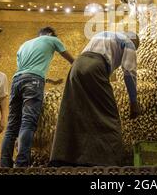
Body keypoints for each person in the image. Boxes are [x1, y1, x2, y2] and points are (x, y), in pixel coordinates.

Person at [49, 31, 141, 167]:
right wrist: (134, 102)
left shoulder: (105, 34)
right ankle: (109, 161)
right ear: (134, 42)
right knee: (109, 115)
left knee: (76, 112)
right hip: (95, 68)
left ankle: (66, 158)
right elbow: (129, 73)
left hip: (76, 67)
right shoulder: (129, 43)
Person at [0, 26, 74, 167]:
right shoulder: (52, 39)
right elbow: (71, 60)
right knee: (28, 122)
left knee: (12, 126)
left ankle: (5, 164)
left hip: (16, 81)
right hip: (34, 81)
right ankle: (22, 164)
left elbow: (26, 71)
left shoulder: (24, 45)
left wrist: (51, 81)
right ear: (51, 33)